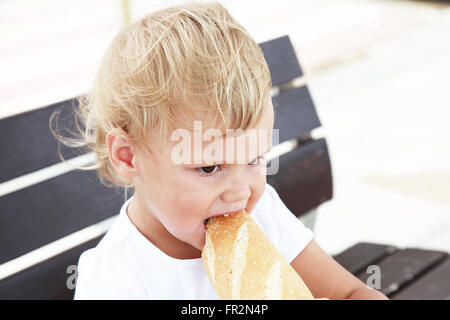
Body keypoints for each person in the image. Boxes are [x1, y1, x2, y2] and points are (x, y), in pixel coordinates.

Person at [69, 1, 388, 299]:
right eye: (209, 168)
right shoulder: (113, 278)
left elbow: (351, 293)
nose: (240, 194)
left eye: (253, 159)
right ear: (128, 156)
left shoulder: (263, 216)